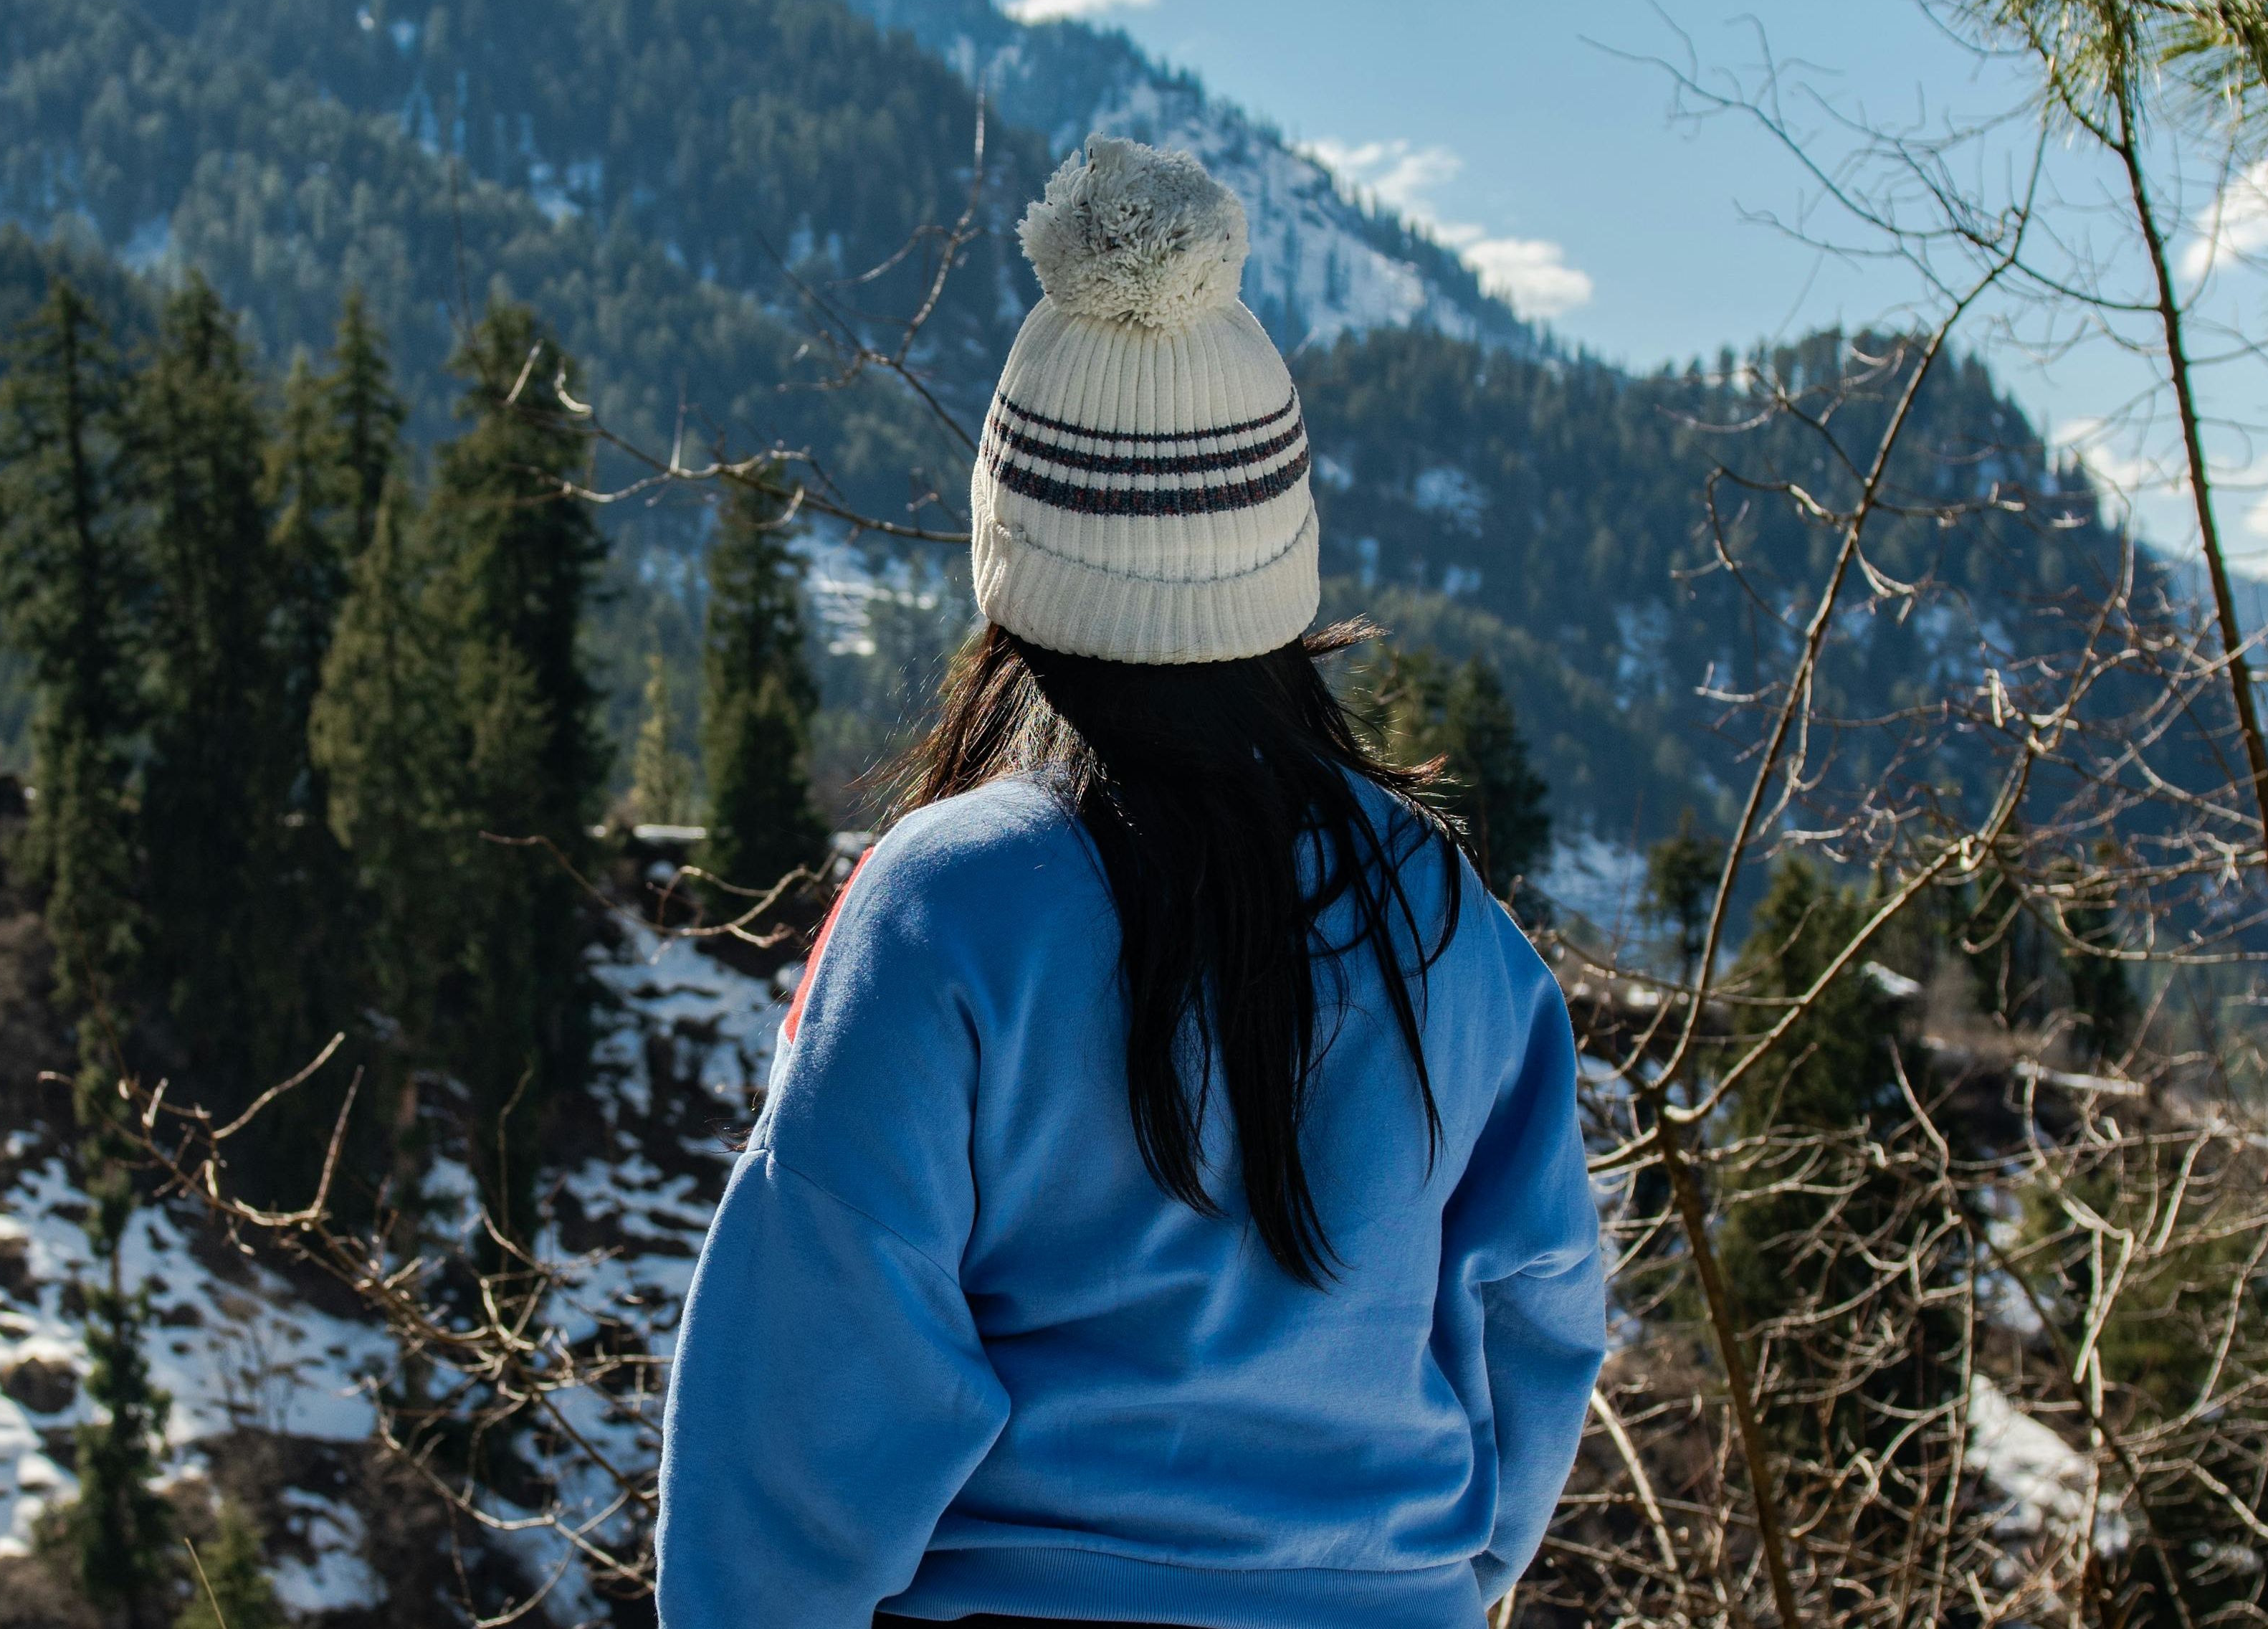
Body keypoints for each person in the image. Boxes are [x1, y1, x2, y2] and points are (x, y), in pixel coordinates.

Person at [655, 135, 1607, 1628]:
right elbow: (1534, 1303)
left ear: (1010, 548)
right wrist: (1419, 1574)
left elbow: (813, 1368)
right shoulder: (1440, 914)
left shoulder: (944, 903)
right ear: (1280, 556)